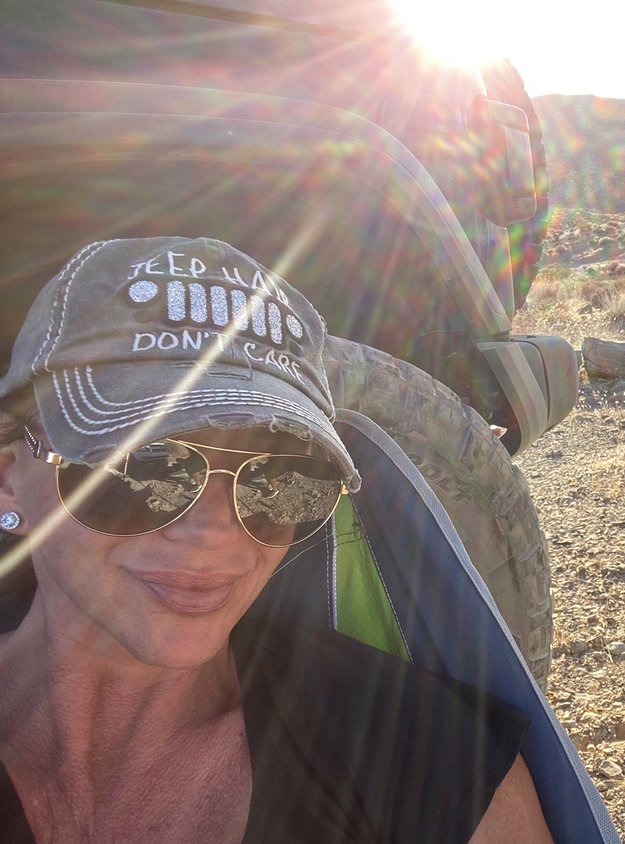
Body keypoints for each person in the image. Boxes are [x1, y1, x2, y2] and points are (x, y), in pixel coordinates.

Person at [0, 236, 554, 843]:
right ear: (8, 479)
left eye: (282, 479)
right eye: (140, 467)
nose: (215, 534)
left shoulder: (423, 764)